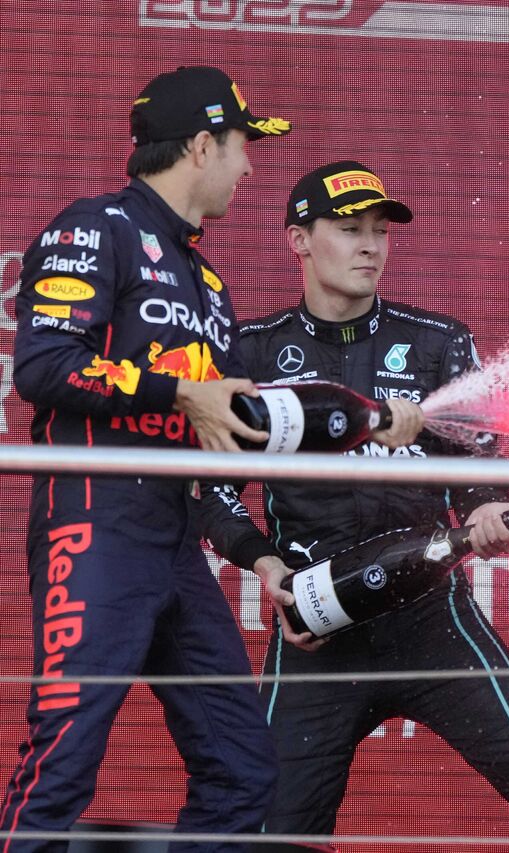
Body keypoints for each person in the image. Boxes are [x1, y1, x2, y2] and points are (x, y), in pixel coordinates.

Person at [198, 161, 509, 853]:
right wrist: (265, 565)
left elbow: (477, 465)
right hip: (317, 627)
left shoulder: (437, 342)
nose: (370, 246)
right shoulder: (251, 350)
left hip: (433, 620)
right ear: (299, 240)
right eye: (350, 230)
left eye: (380, 231)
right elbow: (213, 493)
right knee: (270, 835)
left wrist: (488, 512)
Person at [2, 67, 292, 851]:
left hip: (176, 537)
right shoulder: (96, 227)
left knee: (242, 768)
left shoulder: (209, 284)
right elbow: (43, 366)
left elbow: (224, 426)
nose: (248, 167)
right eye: (240, 146)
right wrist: (179, 391)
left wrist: (355, 425)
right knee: (63, 759)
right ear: (200, 146)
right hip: (94, 518)